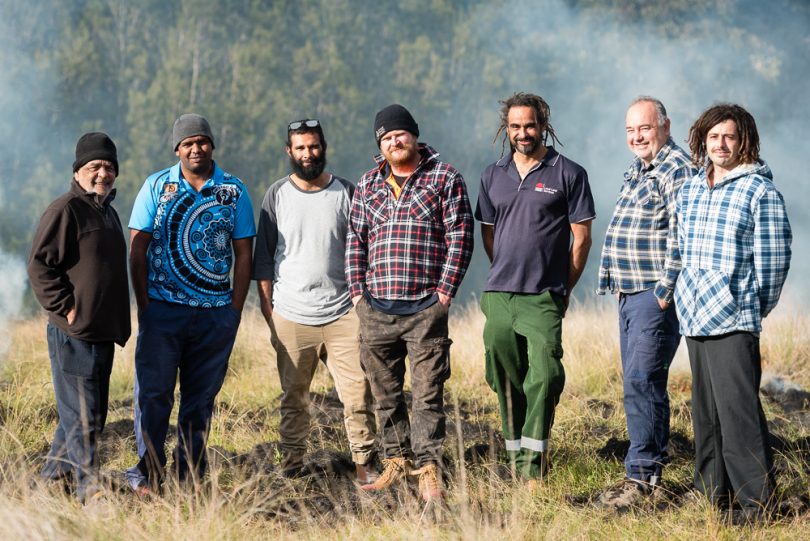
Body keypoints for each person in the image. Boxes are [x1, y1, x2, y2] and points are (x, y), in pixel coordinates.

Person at [346, 104, 474, 501]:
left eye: (400, 134)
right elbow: (355, 242)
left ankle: (428, 467)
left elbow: (461, 236)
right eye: (386, 138)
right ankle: (396, 460)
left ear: (414, 136)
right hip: (377, 309)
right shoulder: (368, 184)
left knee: (427, 392)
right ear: (379, 146)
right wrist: (357, 294)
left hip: (425, 308)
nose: (394, 142)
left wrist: (445, 293)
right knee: (384, 393)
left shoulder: (444, 177)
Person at [674, 103, 791, 524]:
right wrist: (672, 290)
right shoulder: (690, 188)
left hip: (734, 318)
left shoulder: (760, 191)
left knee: (738, 415)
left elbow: (774, 261)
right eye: (713, 137)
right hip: (694, 316)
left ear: (745, 141)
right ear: (703, 141)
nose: (721, 144)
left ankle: (757, 505)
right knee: (706, 415)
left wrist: (750, 306)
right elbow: (679, 246)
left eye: (729, 137)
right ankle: (711, 496)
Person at [127, 114, 255, 493]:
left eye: (202, 141)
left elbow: (243, 254)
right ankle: (148, 471)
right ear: (177, 149)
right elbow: (137, 249)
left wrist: (234, 310)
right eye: (188, 143)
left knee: (200, 400)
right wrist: (145, 305)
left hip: (215, 315)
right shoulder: (156, 186)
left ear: (212, 145)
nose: (196, 148)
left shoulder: (234, 190)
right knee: (153, 395)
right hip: (162, 311)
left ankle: (189, 475)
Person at [475, 92, 594, 485]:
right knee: (503, 375)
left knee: (544, 376)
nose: (522, 133)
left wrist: (563, 287)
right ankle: (515, 460)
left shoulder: (569, 173)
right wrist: (506, 271)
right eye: (515, 126)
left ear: (544, 125)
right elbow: (489, 235)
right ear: (505, 129)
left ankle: (532, 472)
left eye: (529, 125)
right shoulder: (492, 175)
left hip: (544, 295)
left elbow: (582, 239)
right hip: (499, 295)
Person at [253, 118, 378, 483]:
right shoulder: (277, 195)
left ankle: (364, 467)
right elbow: (264, 258)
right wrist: (268, 310)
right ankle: (292, 468)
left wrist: (362, 304)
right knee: (294, 398)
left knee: (357, 396)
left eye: (314, 146)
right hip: (291, 314)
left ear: (324, 147)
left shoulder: (347, 193)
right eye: (301, 148)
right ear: (289, 152)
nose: (308, 154)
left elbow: (365, 251)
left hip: (343, 314)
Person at [595, 97, 697, 508]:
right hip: (630, 291)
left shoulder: (676, 169)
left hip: (653, 295)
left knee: (642, 380)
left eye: (645, 128)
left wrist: (664, 290)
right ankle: (646, 468)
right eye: (630, 130)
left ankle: (643, 477)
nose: (637, 137)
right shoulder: (640, 169)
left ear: (665, 127)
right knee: (637, 381)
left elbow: (681, 234)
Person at [27, 132, 131, 502]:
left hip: (102, 332)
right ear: (79, 170)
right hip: (73, 333)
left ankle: (49, 486)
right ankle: (90, 493)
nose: (102, 173)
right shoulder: (66, 209)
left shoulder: (108, 212)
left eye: (108, 167)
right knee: (83, 417)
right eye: (94, 166)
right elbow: (40, 265)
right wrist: (65, 307)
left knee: (86, 414)